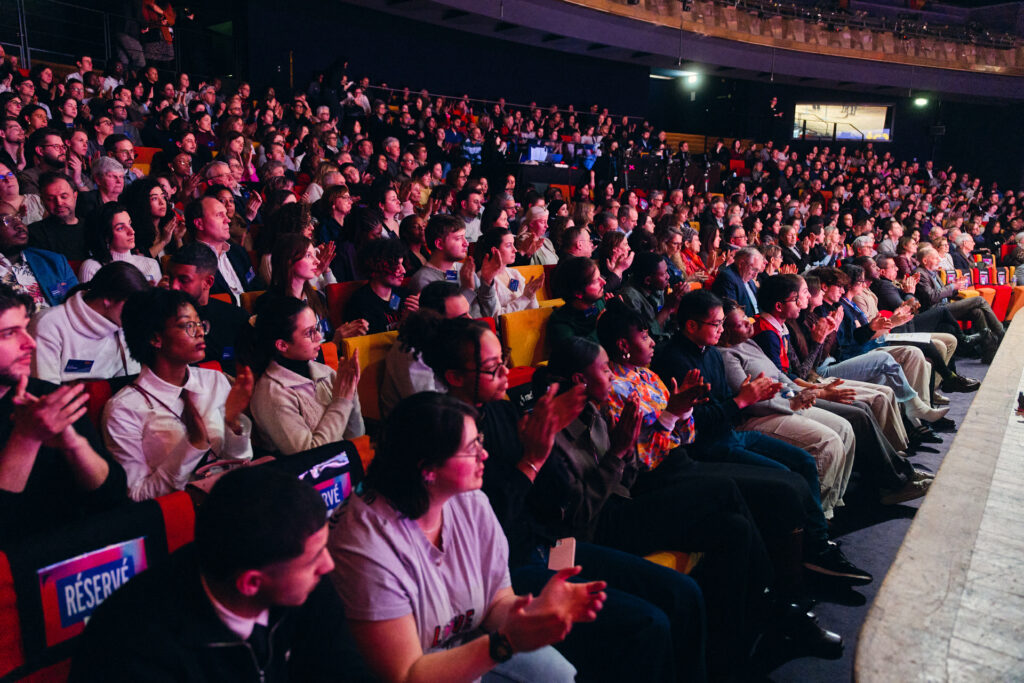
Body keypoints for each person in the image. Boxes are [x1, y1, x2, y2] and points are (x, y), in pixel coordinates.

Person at [419, 316, 710, 682]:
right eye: (493, 369)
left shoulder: (504, 411)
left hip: (552, 545)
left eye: (505, 361)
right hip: (507, 570)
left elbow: (560, 503)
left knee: (682, 593)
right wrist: (533, 459)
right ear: (455, 377)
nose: (507, 373)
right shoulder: (442, 434)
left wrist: (557, 446)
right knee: (647, 625)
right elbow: (488, 527)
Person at [328, 392, 602, 683]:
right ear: (428, 469)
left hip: (466, 645)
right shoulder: (364, 546)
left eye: (480, 441)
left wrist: (536, 611)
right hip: (413, 671)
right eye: (472, 447)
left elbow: (496, 604)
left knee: (562, 678)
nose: (484, 454)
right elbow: (406, 674)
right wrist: (506, 642)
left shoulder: (470, 501)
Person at [70, 466, 376, 682]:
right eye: (313, 559)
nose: (328, 565)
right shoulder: (129, 649)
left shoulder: (307, 586)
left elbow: (345, 672)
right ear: (251, 583)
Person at [652, 289, 872, 584]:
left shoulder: (711, 353)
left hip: (729, 433)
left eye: (721, 324)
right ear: (691, 325)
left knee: (804, 462)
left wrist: (754, 394)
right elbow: (695, 423)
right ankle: (803, 555)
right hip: (706, 448)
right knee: (785, 477)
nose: (721, 330)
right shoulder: (675, 361)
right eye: (715, 324)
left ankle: (817, 542)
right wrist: (741, 400)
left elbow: (727, 402)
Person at [0, 283, 126, 549]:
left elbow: (113, 497)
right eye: (10, 333)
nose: (30, 343)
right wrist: (26, 439)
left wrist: (74, 446)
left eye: (25, 328)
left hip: (70, 555)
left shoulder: (48, 397)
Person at [103, 288, 254, 501]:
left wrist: (233, 422)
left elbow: (241, 461)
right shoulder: (124, 408)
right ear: (156, 338)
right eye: (188, 326)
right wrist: (192, 446)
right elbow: (136, 495)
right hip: (186, 511)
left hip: (234, 495)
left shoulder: (213, 380)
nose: (200, 332)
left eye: (200, 324)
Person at [250, 296, 365, 455]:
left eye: (316, 328)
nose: (319, 337)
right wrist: (342, 402)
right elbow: (310, 456)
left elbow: (356, 436)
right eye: (309, 333)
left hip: (346, 462)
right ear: (282, 345)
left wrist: (351, 391)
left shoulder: (325, 372)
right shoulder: (273, 393)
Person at [30, 261, 148, 384]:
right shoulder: (48, 324)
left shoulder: (123, 328)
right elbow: (45, 392)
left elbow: (129, 385)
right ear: (108, 299)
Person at [379, 281, 470, 419]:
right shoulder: (410, 350)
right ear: (436, 319)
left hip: (453, 416)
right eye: (462, 318)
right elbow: (428, 409)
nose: (471, 321)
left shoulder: (451, 338)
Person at [166, 242, 251, 375]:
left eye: (183, 280)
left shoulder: (236, 319)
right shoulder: (162, 319)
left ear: (208, 282)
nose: (174, 286)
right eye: (171, 278)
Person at [407, 213, 500, 318]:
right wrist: (468, 289)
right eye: (458, 238)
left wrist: (487, 283)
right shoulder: (423, 280)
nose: (466, 243)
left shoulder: (464, 269)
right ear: (439, 244)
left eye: (464, 237)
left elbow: (489, 314)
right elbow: (445, 323)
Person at [188, 196, 265, 305]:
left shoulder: (238, 251)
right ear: (199, 224)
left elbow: (256, 287)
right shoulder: (189, 261)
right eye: (219, 215)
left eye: (225, 214)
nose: (228, 220)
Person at [0, 208, 77, 309]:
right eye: (8, 220)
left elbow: (74, 301)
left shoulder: (53, 261)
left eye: (18, 218)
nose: (19, 225)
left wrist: (57, 291)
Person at [344, 237, 418, 334]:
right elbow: (373, 343)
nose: (403, 271)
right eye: (396, 265)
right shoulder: (360, 303)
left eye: (402, 264)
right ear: (377, 267)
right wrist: (404, 323)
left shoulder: (405, 295)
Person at [78, 200, 162, 283]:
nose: (131, 231)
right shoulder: (92, 267)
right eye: (120, 228)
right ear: (106, 236)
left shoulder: (151, 264)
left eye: (129, 224)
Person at [618, 251, 685, 346]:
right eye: (664, 274)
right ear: (648, 280)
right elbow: (644, 337)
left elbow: (668, 325)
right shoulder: (629, 297)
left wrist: (675, 308)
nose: (668, 277)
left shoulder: (657, 287)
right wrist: (667, 308)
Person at [474, 227, 542, 316]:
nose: (515, 250)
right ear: (495, 250)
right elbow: (498, 318)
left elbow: (534, 311)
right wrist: (525, 298)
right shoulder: (484, 279)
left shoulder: (515, 273)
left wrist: (531, 295)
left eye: (513, 244)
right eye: (509, 245)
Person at [27, 171, 89, 261]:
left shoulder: (91, 227)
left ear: (75, 196)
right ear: (43, 201)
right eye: (50, 199)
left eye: (64, 196)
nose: (59, 203)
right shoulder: (35, 233)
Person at [546, 256, 606, 347]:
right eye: (595, 281)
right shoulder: (560, 323)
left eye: (600, 276)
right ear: (578, 293)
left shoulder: (598, 301)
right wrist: (600, 328)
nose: (603, 282)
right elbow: (577, 355)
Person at [710, 246, 764, 316]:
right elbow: (732, 312)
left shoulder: (748, 278)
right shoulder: (727, 278)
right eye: (754, 269)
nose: (755, 275)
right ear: (741, 264)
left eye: (758, 271)